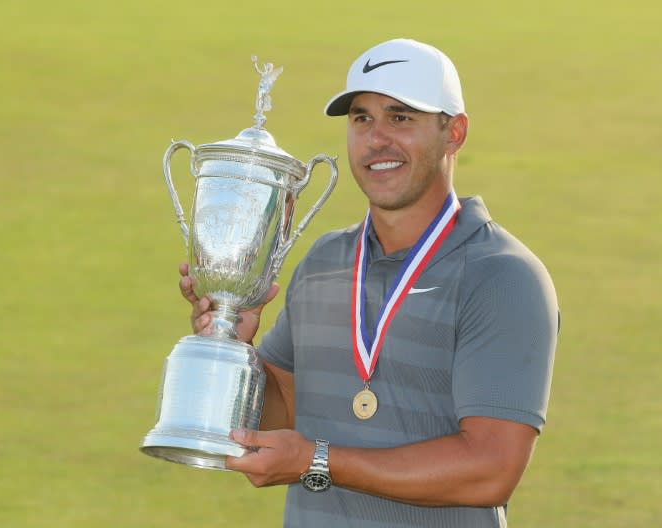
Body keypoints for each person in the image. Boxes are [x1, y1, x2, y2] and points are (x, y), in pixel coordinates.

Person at [179, 38, 559, 528]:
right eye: (362, 118)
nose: (377, 139)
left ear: (454, 132)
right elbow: (281, 419)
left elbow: (490, 470)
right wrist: (234, 347)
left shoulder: (502, 276)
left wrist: (317, 461)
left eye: (401, 118)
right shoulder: (324, 263)